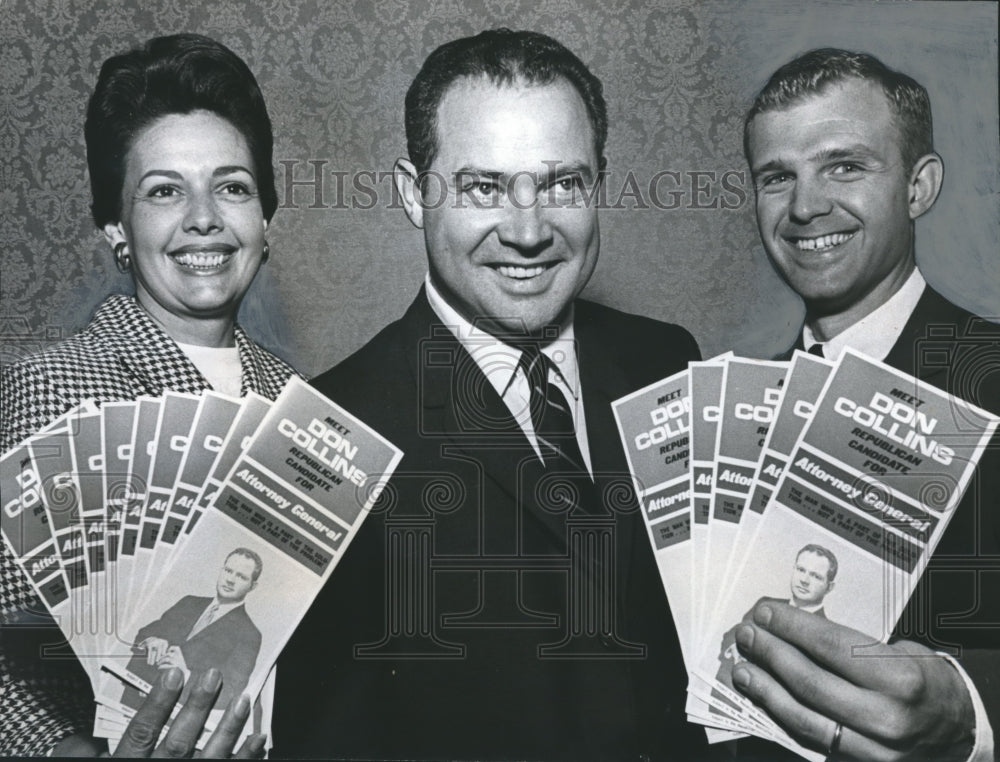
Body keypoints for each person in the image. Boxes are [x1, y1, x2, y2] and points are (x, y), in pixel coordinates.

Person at [274, 29, 709, 760]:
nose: (530, 230)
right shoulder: (333, 436)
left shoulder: (667, 362)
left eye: (563, 183)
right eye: (484, 188)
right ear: (414, 195)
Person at [0, 33, 296, 756]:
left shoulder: (300, 403)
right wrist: (55, 750)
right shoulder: (53, 388)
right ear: (117, 228)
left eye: (232, 187)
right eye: (164, 190)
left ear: (266, 220)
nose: (203, 218)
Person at [735, 48, 998, 761]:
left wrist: (971, 712)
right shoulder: (727, 412)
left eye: (844, 166)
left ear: (919, 186)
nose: (805, 207)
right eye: (776, 177)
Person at [125, 548, 264, 711]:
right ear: (221, 571)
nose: (230, 580)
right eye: (228, 571)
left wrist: (185, 674)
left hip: (171, 715)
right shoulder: (189, 602)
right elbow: (143, 634)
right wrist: (151, 641)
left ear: (252, 586)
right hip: (131, 698)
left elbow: (230, 693)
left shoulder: (250, 634)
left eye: (241, 576)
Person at [715, 544, 838, 690]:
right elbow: (731, 635)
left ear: (829, 587)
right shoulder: (765, 603)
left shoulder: (827, 635)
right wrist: (734, 646)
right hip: (729, 694)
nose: (804, 580)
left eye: (816, 576)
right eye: (801, 570)